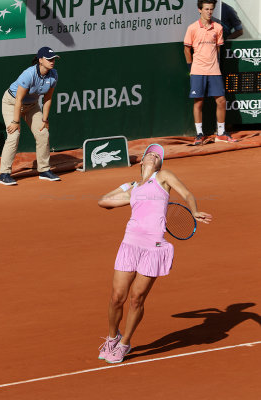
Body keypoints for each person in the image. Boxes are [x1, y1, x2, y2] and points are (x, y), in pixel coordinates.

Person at [98, 143, 212, 363]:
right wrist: (128, 185)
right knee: (116, 297)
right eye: (148, 154)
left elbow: (187, 193)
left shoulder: (163, 177)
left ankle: (125, 343)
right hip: (130, 244)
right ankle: (112, 337)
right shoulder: (134, 189)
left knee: (137, 299)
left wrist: (195, 209)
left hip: (154, 248)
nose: (152, 156)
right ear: (141, 161)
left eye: (156, 156)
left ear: (160, 163)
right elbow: (103, 201)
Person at [0, 46, 61, 185]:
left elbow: (48, 99)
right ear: (40, 60)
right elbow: (18, 99)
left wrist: (45, 119)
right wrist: (15, 121)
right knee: (14, 135)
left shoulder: (53, 74)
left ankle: (44, 170)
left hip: (32, 106)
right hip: (12, 102)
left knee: (43, 133)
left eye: (54, 59)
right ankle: (4, 174)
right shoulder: (29, 74)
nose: (52, 61)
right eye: (49, 59)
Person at [184, 0, 238, 145]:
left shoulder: (218, 28)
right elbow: (187, 49)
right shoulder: (192, 28)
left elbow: (218, 49)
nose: (209, 12)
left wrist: (217, 65)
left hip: (214, 70)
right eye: (206, 9)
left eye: (211, 9)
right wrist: (191, 69)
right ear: (200, 10)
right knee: (199, 102)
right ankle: (199, 134)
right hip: (197, 71)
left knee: (221, 101)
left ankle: (220, 133)